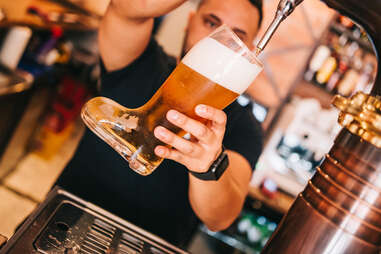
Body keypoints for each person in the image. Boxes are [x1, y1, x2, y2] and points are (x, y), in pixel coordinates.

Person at [54, 0, 264, 248]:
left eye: (237, 39)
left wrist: (209, 165)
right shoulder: (142, 61)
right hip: (59, 228)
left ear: (249, 49)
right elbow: (125, 10)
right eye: (211, 23)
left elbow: (221, 217)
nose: (220, 43)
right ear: (189, 21)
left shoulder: (245, 127)